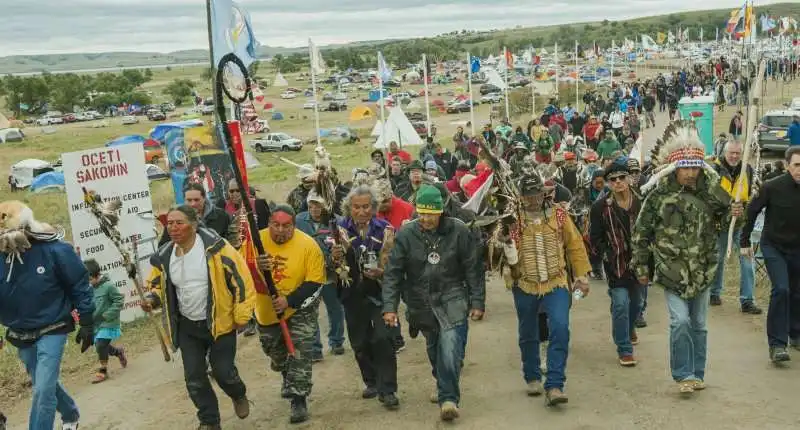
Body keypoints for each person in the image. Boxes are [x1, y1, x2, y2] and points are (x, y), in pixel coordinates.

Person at [632, 121, 735, 395]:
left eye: (695, 167)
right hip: (671, 271)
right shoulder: (657, 197)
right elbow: (641, 232)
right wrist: (641, 266)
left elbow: (727, 220)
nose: (691, 173)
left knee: (699, 325)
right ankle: (682, 374)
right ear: (675, 168)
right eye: (685, 168)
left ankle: (697, 373)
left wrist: (734, 212)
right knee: (680, 322)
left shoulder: (712, 193)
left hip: (703, 269)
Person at [143, 205, 255, 430]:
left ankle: (238, 393)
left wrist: (242, 314)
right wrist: (151, 299)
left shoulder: (217, 249)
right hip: (187, 327)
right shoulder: (165, 255)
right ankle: (209, 421)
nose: (173, 228)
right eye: (170, 224)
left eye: (179, 223)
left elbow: (241, 281)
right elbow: (156, 284)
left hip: (219, 323)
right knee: (194, 378)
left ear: (193, 225)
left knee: (223, 372)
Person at [383, 185, 485, 421]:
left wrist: (477, 301)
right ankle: (442, 381)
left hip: (453, 297)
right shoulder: (407, 234)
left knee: (449, 348)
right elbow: (393, 273)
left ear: (441, 212)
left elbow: (473, 268)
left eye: (431, 214)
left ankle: (448, 399)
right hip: (421, 302)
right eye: (422, 213)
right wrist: (389, 307)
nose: (426, 219)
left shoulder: (459, 231)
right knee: (434, 349)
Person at [0, 201, 94, 430]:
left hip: (53, 326)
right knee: (45, 383)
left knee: (42, 390)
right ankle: (70, 414)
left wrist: (87, 321)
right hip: (20, 331)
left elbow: (79, 285)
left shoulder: (56, 250)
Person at [501, 171, 591, 405]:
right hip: (524, 284)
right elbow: (498, 249)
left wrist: (581, 276)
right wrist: (501, 239)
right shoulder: (513, 219)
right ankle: (532, 376)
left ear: (544, 193)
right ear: (521, 196)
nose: (533, 199)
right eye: (528, 196)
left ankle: (554, 384)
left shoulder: (560, 215)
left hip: (557, 281)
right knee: (528, 331)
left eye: (537, 194)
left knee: (560, 328)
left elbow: (575, 245)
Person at [254, 204, 326, 424]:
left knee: (300, 351)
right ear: (269, 224)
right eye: (276, 225)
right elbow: (240, 271)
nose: (281, 230)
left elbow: (315, 281)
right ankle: (287, 374)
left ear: (294, 225)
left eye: (286, 226)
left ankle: (298, 398)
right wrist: (256, 264)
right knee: (276, 352)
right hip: (267, 309)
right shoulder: (255, 242)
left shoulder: (308, 245)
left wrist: (288, 300)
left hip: (300, 306)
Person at [331, 185, 400, 409]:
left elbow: (396, 266)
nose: (361, 212)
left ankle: (388, 389)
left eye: (366, 207)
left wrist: (382, 272)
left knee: (383, 338)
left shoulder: (385, 229)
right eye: (356, 207)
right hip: (351, 294)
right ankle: (371, 381)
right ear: (349, 208)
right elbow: (327, 266)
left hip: (379, 293)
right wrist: (334, 257)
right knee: (360, 342)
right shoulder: (337, 230)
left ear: (374, 208)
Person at [740, 146, 800, 362]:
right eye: (796, 165)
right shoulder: (771, 187)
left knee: (796, 291)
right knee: (781, 289)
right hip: (773, 245)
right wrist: (744, 241)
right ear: (786, 166)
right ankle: (777, 344)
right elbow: (752, 210)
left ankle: (796, 333)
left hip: (797, 247)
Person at [589, 160, 643, 366]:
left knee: (637, 304)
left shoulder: (642, 200)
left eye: (622, 177)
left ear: (629, 178)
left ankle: (628, 328)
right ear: (608, 183)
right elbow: (594, 238)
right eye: (613, 179)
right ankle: (624, 348)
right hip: (616, 265)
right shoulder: (600, 207)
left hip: (640, 263)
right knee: (620, 303)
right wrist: (606, 255)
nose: (618, 182)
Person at [709, 140, 762, 314]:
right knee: (718, 258)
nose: (734, 156)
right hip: (720, 224)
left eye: (738, 153)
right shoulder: (713, 171)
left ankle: (747, 300)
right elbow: (710, 199)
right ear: (724, 152)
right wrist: (728, 208)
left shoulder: (747, 169)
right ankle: (714, 292)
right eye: (731, 152)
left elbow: (751, 197)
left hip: (742, 224)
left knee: (747, 260)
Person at [294, 191, 346, 361]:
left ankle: (337, 341)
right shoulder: (299, 220)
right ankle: (315, 348)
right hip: (309, 274)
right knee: (310, 309)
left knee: (335, 307)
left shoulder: (336, 221)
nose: (314, 209)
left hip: (330, 273)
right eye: (311, 205)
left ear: (325, 206)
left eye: (318, 205)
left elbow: (345, 245)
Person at [85, 259, 127, 384]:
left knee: (100, 344)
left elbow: (119, 301)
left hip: (109, 322)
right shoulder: (89, 289)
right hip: (96, 324)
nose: (87, 282)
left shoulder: (109, 286)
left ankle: (103, 370)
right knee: (99, 344)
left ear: (96, 275)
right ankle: (118, 352)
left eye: (89, 279)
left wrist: (107, 315)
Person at [159, 183, 237, 248]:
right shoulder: (174, 220)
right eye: (189, 200)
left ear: (204, 198)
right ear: (184, 200)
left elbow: (231, 242)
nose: (193, 204)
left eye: (196, 200)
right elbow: (162, 248)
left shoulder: (222, 216)